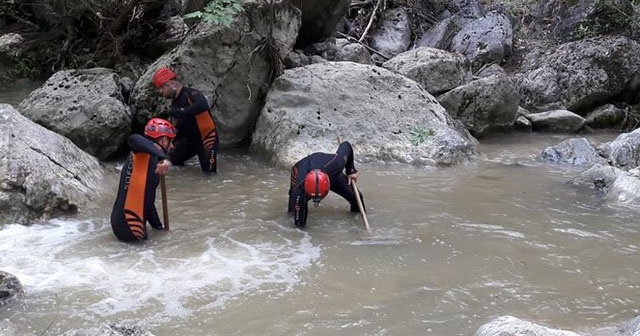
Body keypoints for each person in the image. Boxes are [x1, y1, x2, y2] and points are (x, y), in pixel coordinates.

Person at [111, 118, 176, 242]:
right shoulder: (141, 152)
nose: (172, 146)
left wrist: (158, 228)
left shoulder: (149, 159)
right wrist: (164, 157)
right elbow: (134, 138)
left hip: (122, 222)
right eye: (170, 141)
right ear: (163, 140)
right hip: (130, 226)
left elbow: (148, 201)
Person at [152, 67, 219, 173]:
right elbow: (178, 125)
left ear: (172, 84)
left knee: (209, 174)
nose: (161, 91)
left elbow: (202, 106)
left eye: (162, 87)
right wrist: (171, 141)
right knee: (172, 162)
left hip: (206, 138)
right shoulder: (175, 103)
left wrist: (178, 111)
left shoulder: (192, 94)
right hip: (189, 141)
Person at [288, 141, 365, 228]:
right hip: (301, 171)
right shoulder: (299, 189)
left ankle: (357, 227)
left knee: (357, 197)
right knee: (294, 213)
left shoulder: (336, 163)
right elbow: (299, 226)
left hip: (329, 172)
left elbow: (346, 145)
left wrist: (350, 170)